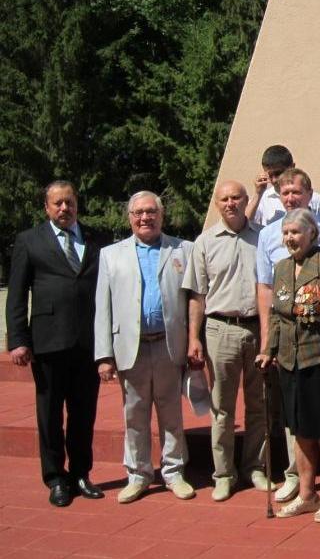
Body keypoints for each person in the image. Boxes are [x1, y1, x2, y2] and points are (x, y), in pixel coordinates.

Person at [5, 181, 107, 507]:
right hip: (48, 342)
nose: (64, 209)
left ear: (77, 204)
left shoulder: (95, 239)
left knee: (83, 412)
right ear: (46, 207)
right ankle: (55, 478)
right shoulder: (28, 241)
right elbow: (17, 295)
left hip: (87, 342)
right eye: (58, 204)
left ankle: (80, 473)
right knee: (49, 414)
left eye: (69, 203)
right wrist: (18, 339)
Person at [256, 209, 320, 523]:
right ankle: (306, 494)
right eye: (286, 233)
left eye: (296, 233)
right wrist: (268, 350)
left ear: (312, 234)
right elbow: (276, 314)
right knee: (299, 430)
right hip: (290, 361)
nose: (290, 238)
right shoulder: (282, 268)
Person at [94, 191, 195, 504]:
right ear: (129, 218)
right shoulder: (111, 255)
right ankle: (138, 474)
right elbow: (103, 306)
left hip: (168, 345)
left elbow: (193, 299)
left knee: (171, 413)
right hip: (131, 348)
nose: (145, 218)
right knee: (134, 415)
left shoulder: (183, 249)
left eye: (151, 212)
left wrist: (194, 341)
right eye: (138, 213)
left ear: (161, 215)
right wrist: (104, 355)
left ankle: (174, 472)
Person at [182, 180, 272, 501]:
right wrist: (193, 337)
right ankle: (223, 473)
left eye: (237, 197)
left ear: (247, 200)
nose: (231, 203)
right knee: (222, 407)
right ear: (217, 204)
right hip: (219, 329)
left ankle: (255, 467)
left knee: (259, 403)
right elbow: (197, 295)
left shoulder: (264, 238)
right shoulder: (204, 243)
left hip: (257, 328)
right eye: (225, 199)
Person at [248, 144, 320, 225]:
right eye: (270, 175)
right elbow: (245, 226)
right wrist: (258, 194)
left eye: (278, 173)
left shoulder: (315, 199)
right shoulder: (263, 198)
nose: (274, 180)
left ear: (292, 167)